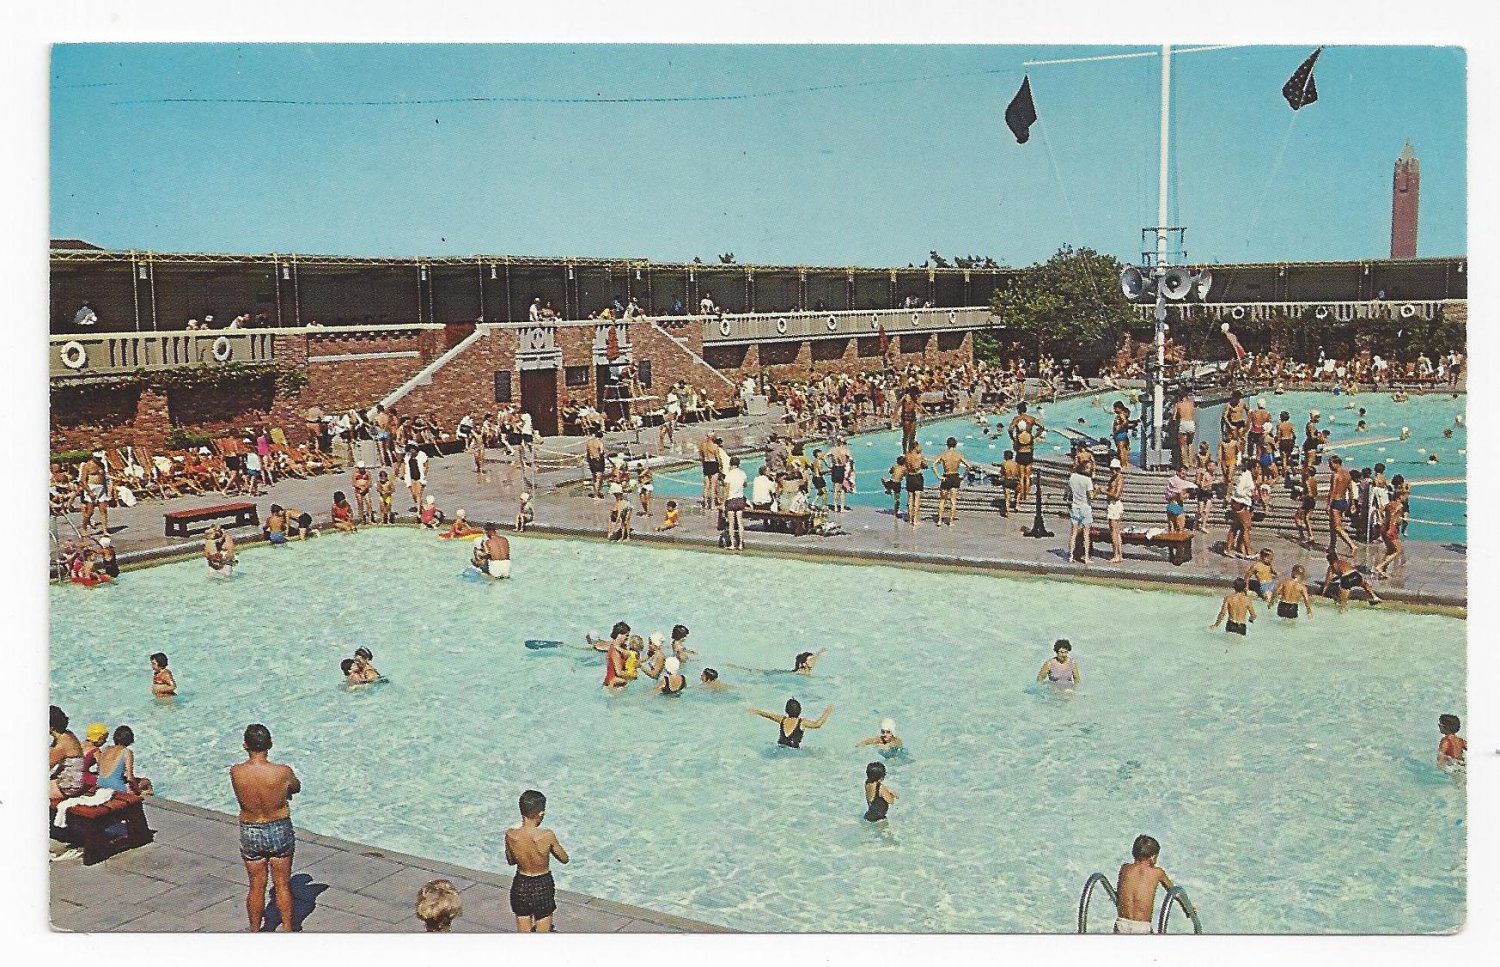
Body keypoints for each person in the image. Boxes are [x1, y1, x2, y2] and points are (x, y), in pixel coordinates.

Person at [230, 724, 301, 932]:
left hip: (251, 828)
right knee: (282, 884)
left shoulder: (236, 772)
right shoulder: (282, 772)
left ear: (245, 745)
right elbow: (295, 787)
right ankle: (288, 930)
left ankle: (255, 931)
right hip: (278, 826)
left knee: (256, 885)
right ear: (269, 745)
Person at [505, 789, 569, 933]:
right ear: (541, 814)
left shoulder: (510, 835)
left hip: (521, 883)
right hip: (542, 884)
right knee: (542, 935)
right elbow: (564, 859)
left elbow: (510, 861)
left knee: (523, 935)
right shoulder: (547, 835)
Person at [1113, 834, 1177, 934]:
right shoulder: (1157, 872)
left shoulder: (1125, 868)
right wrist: (1189, 909)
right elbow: (1174, 892)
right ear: (1153, 857)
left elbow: (1120, 892)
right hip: (1142, 926)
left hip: (1121, 923)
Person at [747, 699, 834, 748]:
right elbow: (817, 724)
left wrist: (755, 710)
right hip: (794, 751)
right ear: (800, 710)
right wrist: (827, 712)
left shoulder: (782, 719)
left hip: (780, 748)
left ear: (786, 710)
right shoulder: (801, 722)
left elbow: (768, 715)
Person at [94, 724, 153, 796]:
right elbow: (130, 778)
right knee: (146, 782)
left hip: (100, 784)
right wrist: (138, 791)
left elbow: (98, 770)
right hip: (118, 790)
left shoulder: (105, 749)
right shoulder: (127, 752)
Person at [932, 437, 971, 527]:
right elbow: (969, 466)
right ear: (955, 445)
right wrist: (963, 476)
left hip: (946, 477)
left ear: (947, 445)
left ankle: (939, 521)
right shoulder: (958, 455)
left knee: (942, 500)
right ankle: (951, 521)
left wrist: (939, 476)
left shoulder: (943, 455)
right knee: (953, 501)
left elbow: (933, 465)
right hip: (955, 477)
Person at [1067, 456, 1094, 565]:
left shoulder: (1072, 477)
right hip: (1085, 507)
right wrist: (1097, 491)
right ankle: (1086, 557)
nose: (1090, 470)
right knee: (1086, 534)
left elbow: (1069, 491)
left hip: (1075, 506)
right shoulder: (1088, 480)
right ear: (1084, 469)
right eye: (1088, 468)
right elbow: (1091, 496)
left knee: (1073, 533)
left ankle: (1071, 556)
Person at [723, 456, 748, 551]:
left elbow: (727, 490)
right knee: (740, 523)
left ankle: (733, 544)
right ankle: (741, 544)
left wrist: (723, 502)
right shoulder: (742, 473)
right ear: (739, 464)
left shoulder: (729, 475)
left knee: (731, 524)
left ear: (730, 464)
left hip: (731, 499)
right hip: (740, 499)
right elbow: (745, 485)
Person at [1103, 458, 1125, 563]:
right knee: (1115, 531)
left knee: (1114, 531)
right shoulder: (1113, 478)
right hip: (1111, 505)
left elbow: (1116, 495)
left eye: (1115, 469)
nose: (1113, 471)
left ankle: (1117, 554)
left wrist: (1105, 492)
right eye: (1112, 469)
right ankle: (1118, 553)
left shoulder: (1119, 479)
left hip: (1115, 505)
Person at [902, 443, 928, 527]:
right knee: (917, 498)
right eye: (919, 446)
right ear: (915, 447)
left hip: (909, 477)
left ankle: (910, 519)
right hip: (917, 476)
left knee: (910, 498)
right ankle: (915, 520)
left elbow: (905, 467)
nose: (920, 448)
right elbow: (925, 465)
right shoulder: (919, 456)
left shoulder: (907, 456)